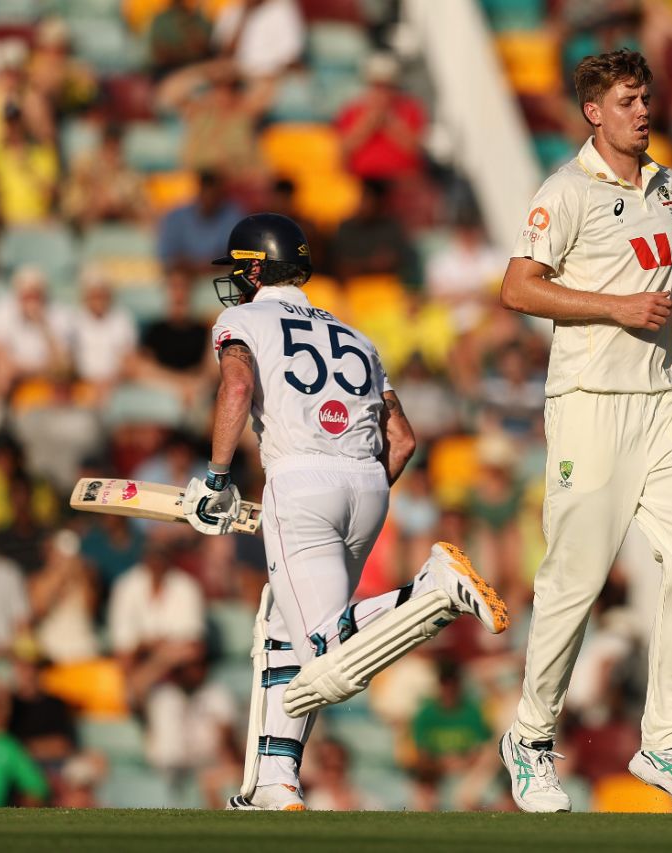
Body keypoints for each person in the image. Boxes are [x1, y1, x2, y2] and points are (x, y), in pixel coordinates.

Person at [184, 212, 507, 811]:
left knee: (324, 653)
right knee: (282, 631)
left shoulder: (242, 317)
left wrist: (217, 480)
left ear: (255, 270)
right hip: (369, 483)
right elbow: (403, 439)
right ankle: (276, 783)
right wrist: (359, 491)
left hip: (299, 478)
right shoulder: (357, 334)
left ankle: (430, 591)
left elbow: (233, 389)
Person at [496, 49, 672, 814]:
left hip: (663, 401)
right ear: (594, 111)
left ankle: (664, 740)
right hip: (591, 402)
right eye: (628, 101)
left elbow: (657, 267)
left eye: (646, 98)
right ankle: (530, 738)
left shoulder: (668, 183)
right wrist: (618, 308)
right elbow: (518, 286)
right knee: (576, 581)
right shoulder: (565, 190)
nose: (643, 111)